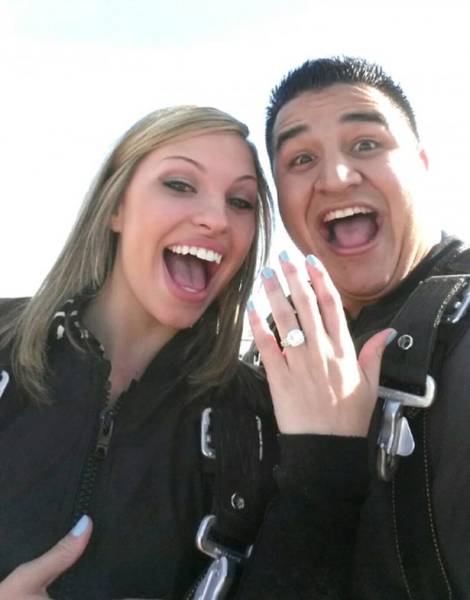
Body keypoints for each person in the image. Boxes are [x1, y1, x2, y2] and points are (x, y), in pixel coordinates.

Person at [0, 103, 392, 600]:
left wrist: (325, 460)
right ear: (116, 206)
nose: (215, 220)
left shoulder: (261, 416)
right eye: (180, 185)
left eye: (240, 202)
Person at [253, 55, 470, 599]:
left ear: (422, 163)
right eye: (302, 159)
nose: (335, 178)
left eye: (367, 144)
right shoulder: (271, 362)